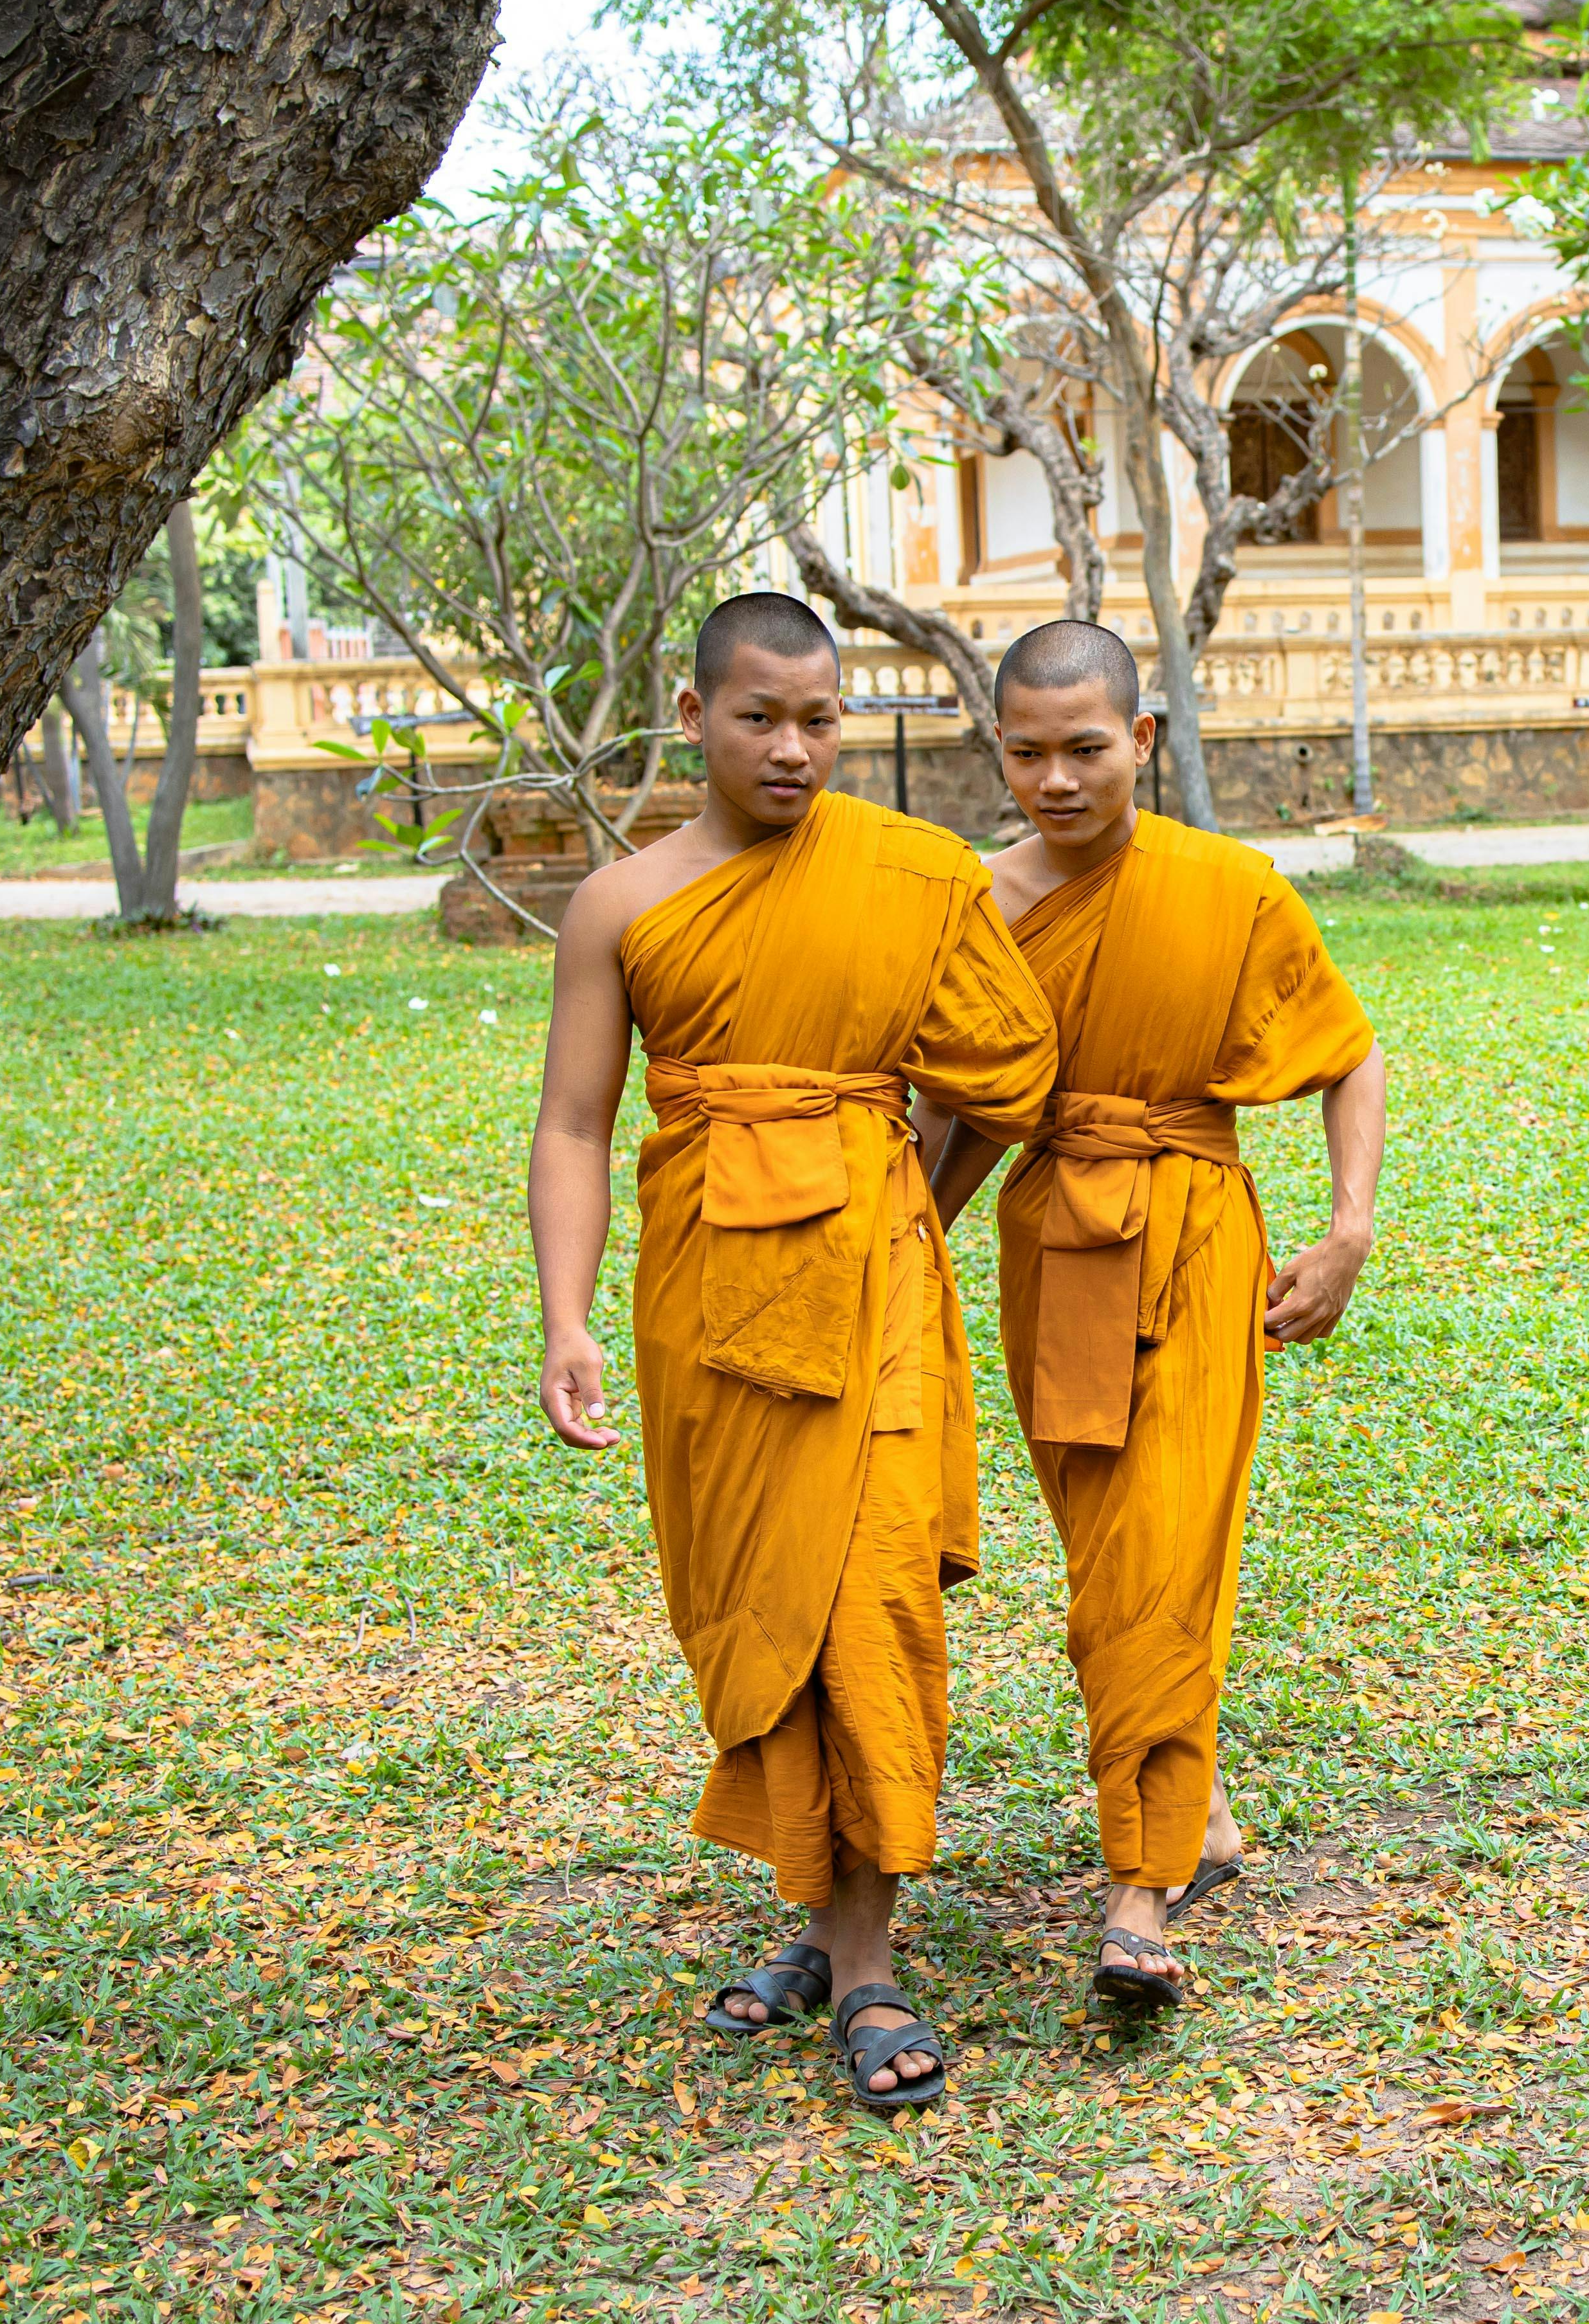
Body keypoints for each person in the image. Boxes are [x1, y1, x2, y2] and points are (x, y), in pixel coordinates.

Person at [529, 592, 1056, 2107]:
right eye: (760, 717)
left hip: (875, 1284)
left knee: (868, 1593)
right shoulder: (624, 905)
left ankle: (872, 1963)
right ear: (691, 717)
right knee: (759, 1598)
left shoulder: (910, 876)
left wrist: (919, 1214)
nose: (795, 748)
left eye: (822, 719)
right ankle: (821, 1927)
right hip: (709, 1298)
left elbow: (1005, 1075)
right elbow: (574, 1124)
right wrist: (563, 1317)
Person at [922, 619, 1386, 2013]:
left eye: (1084, 749)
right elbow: (959, 1111)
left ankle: (1141, 1885)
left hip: (1194, 1231)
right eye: (1026, 753)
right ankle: (1203, 1808)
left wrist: (1348, 1224)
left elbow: (1347, 1057)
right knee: (1107, 1563)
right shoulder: (973, 906)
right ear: (995, 749)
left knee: (1164, 1554)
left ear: (1143, 742)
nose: (1056, 781)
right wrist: (897, 1251)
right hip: (1056, 1245)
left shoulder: (1227, 891)